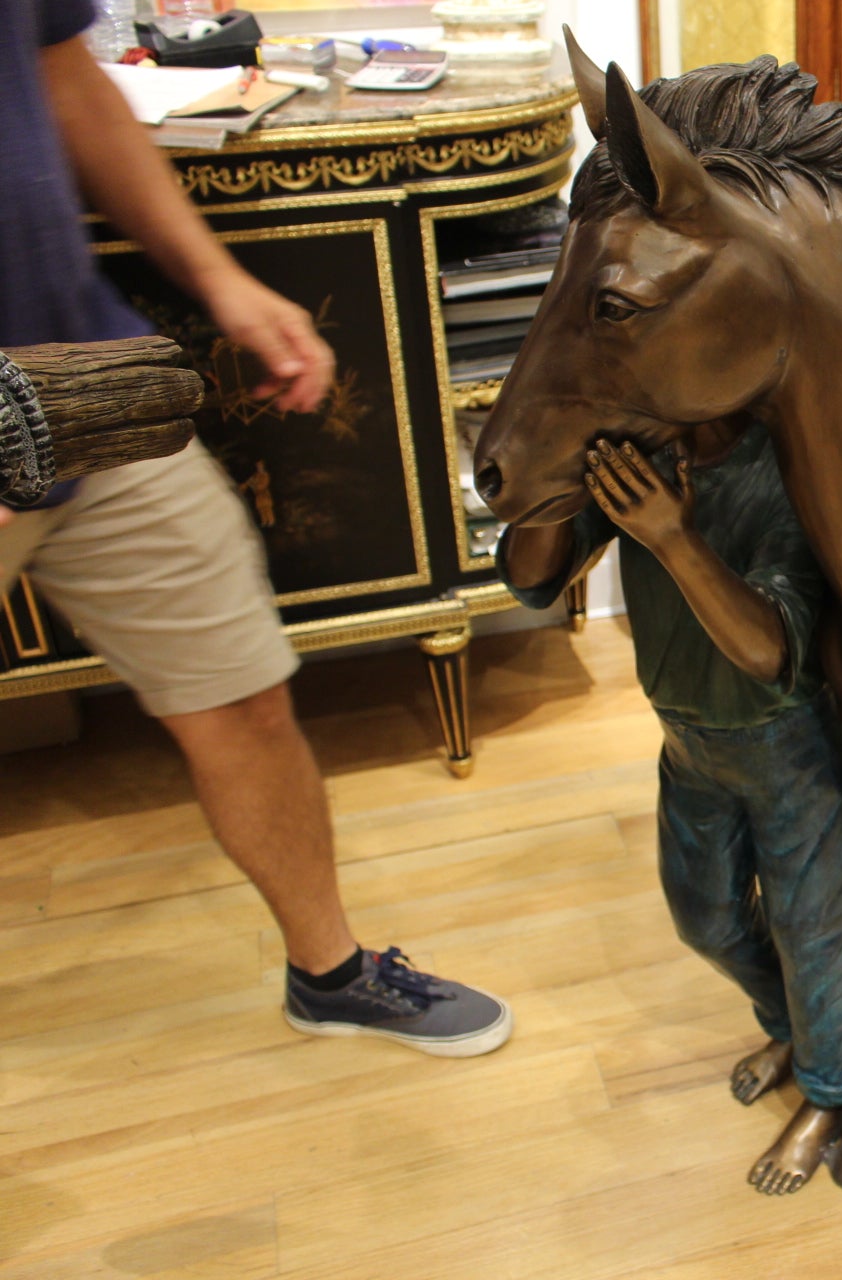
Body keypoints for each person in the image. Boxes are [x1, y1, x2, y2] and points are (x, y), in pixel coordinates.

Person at [0, 0, 512, 1056]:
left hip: (82, 382)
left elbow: (66, 79)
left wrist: (219, 279)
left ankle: (329, 973)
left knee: (241, 694)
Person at [499, 422, 842, 1195]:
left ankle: (831, 1095)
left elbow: (769, 651)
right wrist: (546, 475)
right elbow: (533, 578)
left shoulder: (789, 462)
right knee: (704, 917)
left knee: (816, 929)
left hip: (790, 742)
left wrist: (671, 534)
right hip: (687, 736)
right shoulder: (645, 452)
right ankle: (795, 1031)